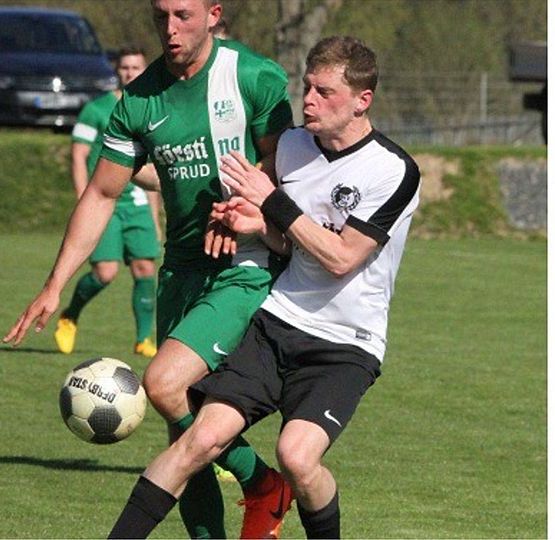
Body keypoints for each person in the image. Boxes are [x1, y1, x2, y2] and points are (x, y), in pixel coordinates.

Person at [107, 36, 421, 539]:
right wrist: (249, 222)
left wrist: (271, 202)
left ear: (362, 100)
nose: (309, 101)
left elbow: (341, 257)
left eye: (324, 92)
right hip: (277, 322)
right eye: (307, 88)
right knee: (198, 441)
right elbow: (285, 237)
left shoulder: (393, 170)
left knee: (296, 456)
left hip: (345, 342)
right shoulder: (293, 146)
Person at [2, 1, 295, 538]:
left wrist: (244, 211)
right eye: (160, 15)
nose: (169, 28)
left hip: (244, 266)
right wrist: (55, 283)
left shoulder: (253, 77)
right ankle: (257, 493)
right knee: (180, 439)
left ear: (213, 13)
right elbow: (101, 192)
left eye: (182, 14)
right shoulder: (138, 99)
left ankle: (261, 485)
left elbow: (287, 168)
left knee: (162, 384)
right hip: (180, 269)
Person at [54, 45, 163, 359]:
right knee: (105, 272)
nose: (130, 73)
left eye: (136, 68)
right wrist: (82, 200)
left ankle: (144, 339)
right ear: (117, 71)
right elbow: (79, 156)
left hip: (139, 203)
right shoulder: (97, 110)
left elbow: (155, 167)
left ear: (144, 70)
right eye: (125, 67)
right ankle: (70, 314)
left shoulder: (152, 108)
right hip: (106, 202)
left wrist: (155, 218)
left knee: (145, 268)